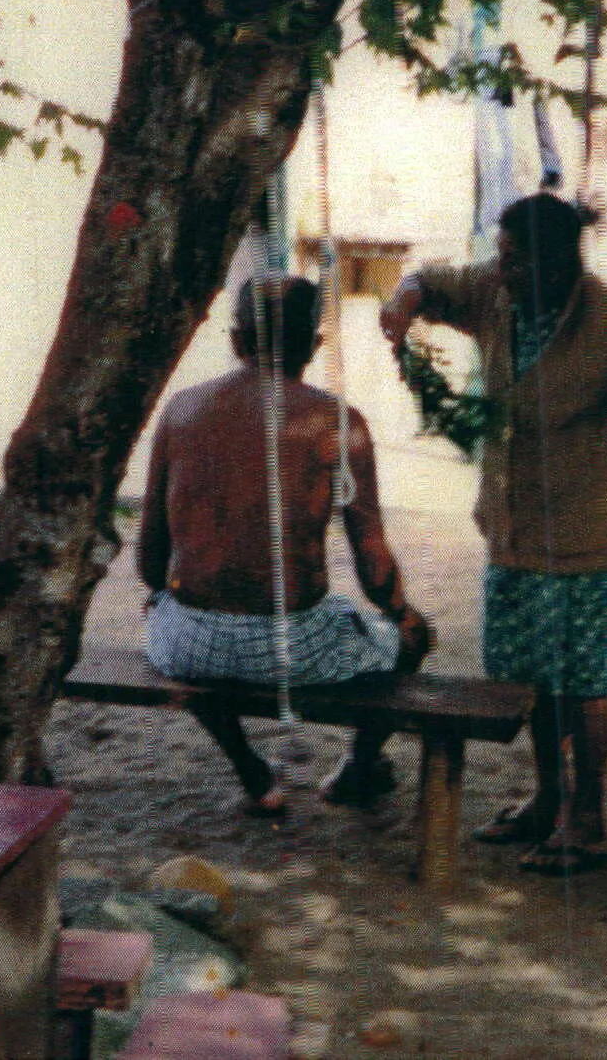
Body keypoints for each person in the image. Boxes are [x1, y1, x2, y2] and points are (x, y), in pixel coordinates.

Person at [380, 194, 607, 873]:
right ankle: (545, 799)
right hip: (513, 528)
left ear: (557, 263)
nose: (499, 272)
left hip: (586, 528)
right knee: (533, 676)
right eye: (499, 257)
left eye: (514, 262)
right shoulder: (496, 294)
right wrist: (404, 298)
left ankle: (586, 819)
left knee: (583, 681)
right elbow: (435, 281)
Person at [138, 274, 435, 817]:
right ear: (313, 346)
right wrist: (405, 617)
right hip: (294, 646)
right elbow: (374, 567)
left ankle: (250, 769)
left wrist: (172, 599)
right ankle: (358, 767)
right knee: (412, 639)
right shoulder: (337, 423)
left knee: (171, 619)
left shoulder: (181, 411)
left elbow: (150, 564)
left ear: (236, 341)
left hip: (185, 641)